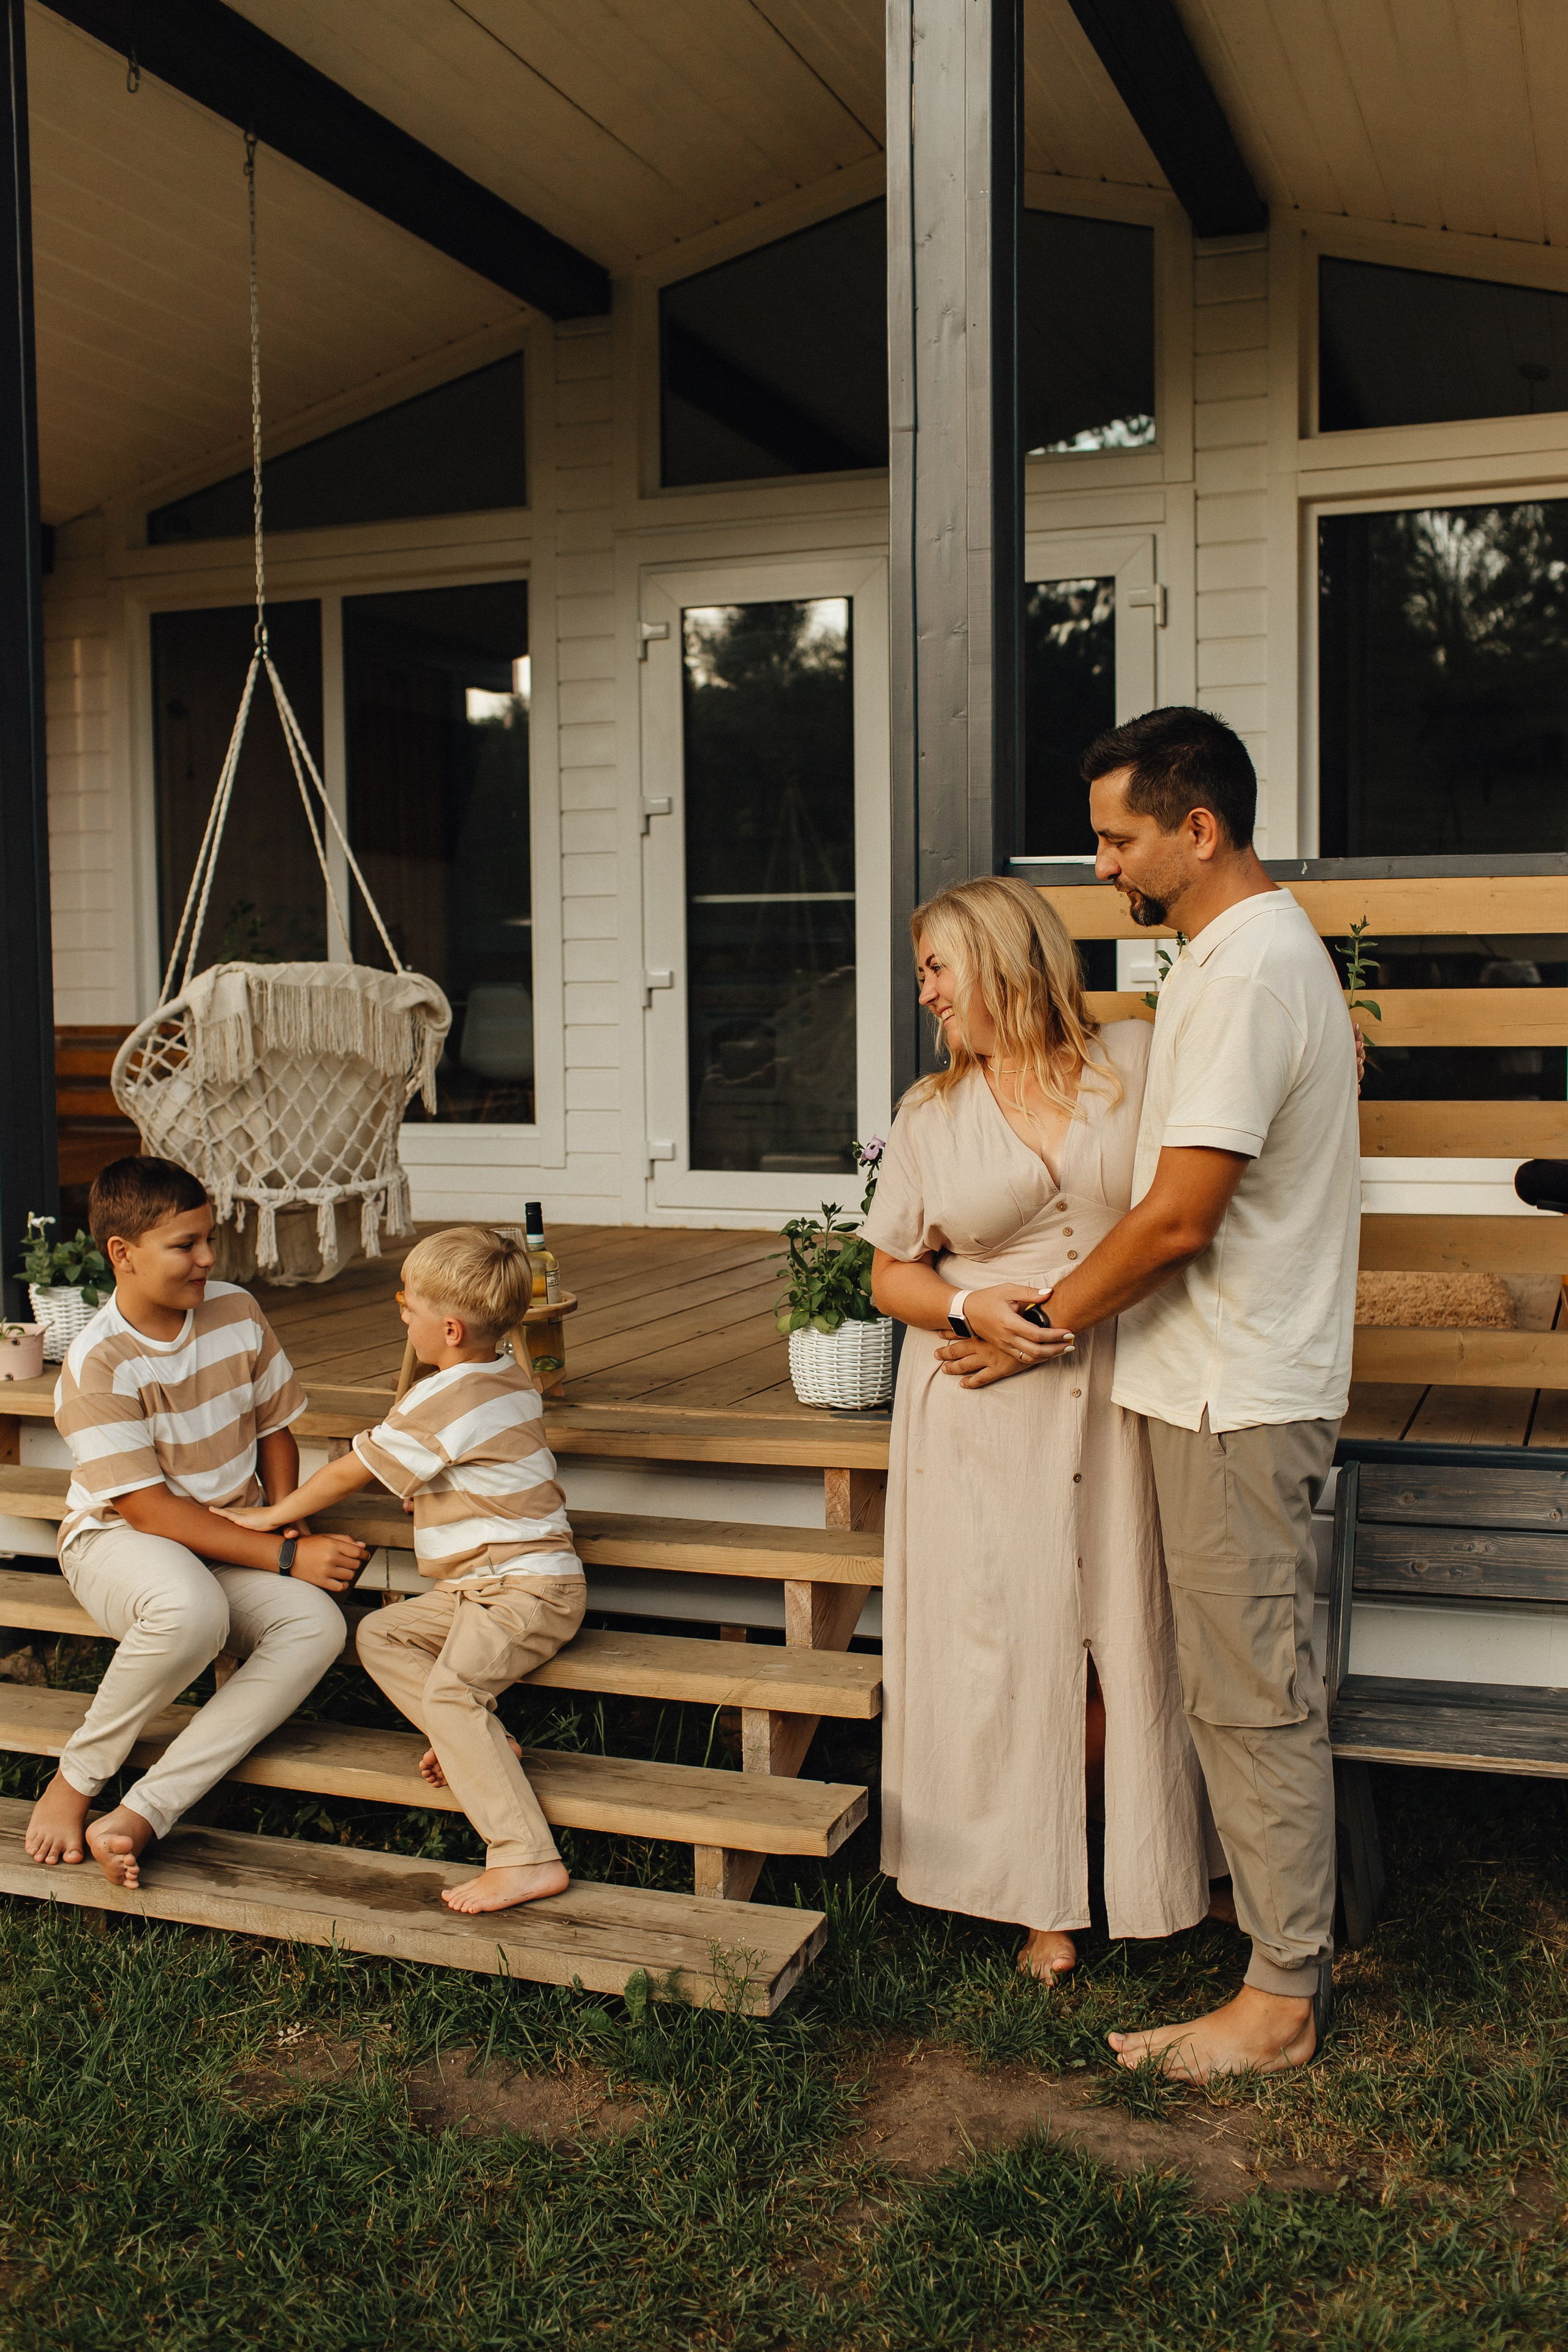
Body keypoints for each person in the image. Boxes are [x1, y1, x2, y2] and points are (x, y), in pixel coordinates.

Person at [984, 704, 1360, 2080]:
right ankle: (1268, 1933)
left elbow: (1179, 1217)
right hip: (1200, 1381)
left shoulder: (1254, 968)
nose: (1101, 868)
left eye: (1116, 839)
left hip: (1235, 1389)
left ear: (1196, 831)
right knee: (1220, 1682)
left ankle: (1277, 1999)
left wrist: (1038, 1317)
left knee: (1250, 1692)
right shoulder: (1221, 960)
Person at [864, 875, 1210, 1980]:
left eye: (936, 967)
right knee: (1005, 1644)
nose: (924, 993)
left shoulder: (1137, 1062)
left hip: (1121, 1375)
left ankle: (1141, 1865)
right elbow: (888, 1277)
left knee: (1125, 1628)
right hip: (975, 1397)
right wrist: (972, 1308)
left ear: (1002, 958)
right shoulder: (929, 1114)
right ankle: (1035, 1900)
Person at [222, 1225, 584, 1916]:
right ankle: (476, 1740)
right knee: (381, 1635)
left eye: (407, 1307)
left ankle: (525, 1856)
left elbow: (348, 1472)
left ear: (449, 1328)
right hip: (485, 1587)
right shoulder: (506, 1368)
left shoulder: (446, 1398)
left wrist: (271, 1516)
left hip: (525, 1589)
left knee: (449, 1696)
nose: (400, 1313)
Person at [24, 1157, 366, 1888]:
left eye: (209, 1238)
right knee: (190, 1611)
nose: (208, 1258)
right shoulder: (96, 1365)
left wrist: (281, 1521)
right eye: (186, 1245)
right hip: (121, 1541)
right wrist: (279, 1557)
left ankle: (143, 1813)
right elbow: (147, 1509)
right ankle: (77, 1780)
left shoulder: (237, 1311)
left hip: (232, 1535)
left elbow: (277, 1425)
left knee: (316, 1626)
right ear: (123, 1253)